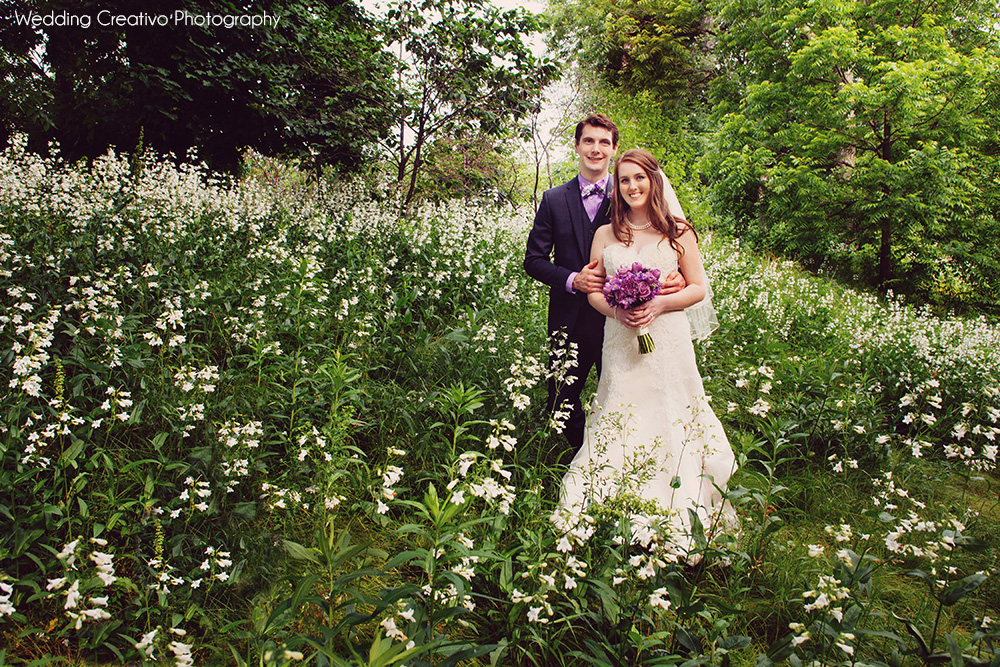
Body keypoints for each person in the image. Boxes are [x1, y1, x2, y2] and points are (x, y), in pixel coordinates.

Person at [556, 149, 736, 536]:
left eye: (639, 177)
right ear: (616, 188)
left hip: (667, 339)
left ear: (654, 180)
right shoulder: (606, 234)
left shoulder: (678, 232)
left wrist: (659, 304)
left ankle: (679, 509)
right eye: (623, 180)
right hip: (620, 340)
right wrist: (619, 313)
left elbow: (698, 289)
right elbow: (595, 292)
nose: (632, 186)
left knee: (670, 414)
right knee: (620, 411)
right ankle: (610, 501)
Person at [524, 115, 684, 452]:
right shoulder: (553, 200)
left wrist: (677, 274)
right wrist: (572, 279)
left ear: (614, 149)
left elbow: (667, 242)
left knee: (626, 394)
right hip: (570, 317)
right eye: (588, 141)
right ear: (577, 146)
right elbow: (534, 260)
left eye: (603, 142)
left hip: (626, 324)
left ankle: (626, 460)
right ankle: (590, 461)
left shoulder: (633, 192)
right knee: (560, 399)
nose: (596, 149)